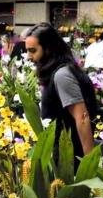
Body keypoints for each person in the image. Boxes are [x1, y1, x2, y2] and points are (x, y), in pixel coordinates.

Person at [25, 23, 97, 161]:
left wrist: (89, 162)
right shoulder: (58, 72)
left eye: (33, 51)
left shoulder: (62, 75)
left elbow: (82, 118)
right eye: (27, 51)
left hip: (70, 159)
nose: (29, 56)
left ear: (48, 49)